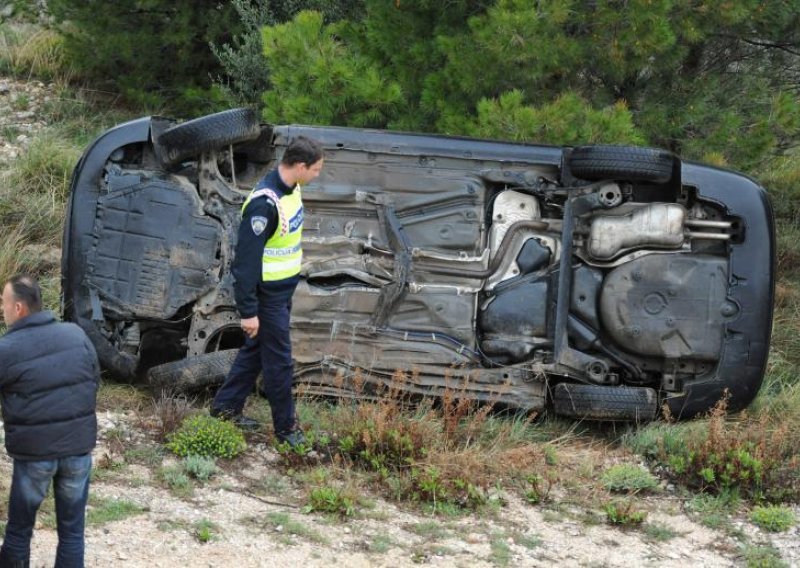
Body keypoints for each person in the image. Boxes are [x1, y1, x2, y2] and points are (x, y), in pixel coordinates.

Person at [211, 136, 324, 448]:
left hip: (283, 290)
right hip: (267, 298)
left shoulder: (292, 188)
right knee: (279, 362)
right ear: (300, 167)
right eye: (315, 170)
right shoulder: (265, 205)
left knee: (256, 353)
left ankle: (224, 410)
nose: (317, 175)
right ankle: (286, 431)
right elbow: (245, 265)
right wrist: (248, 311)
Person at [0, 275, 99, 568]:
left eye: (3, 303)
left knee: (19, 532)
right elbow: (94, 379)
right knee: (72, 534)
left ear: (18, 308)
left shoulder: (7, 348)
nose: (1, 309)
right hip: (78, 450)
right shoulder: (76, 334)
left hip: (35, 455)